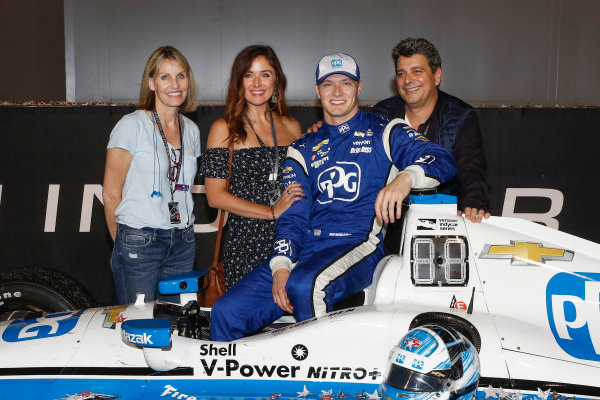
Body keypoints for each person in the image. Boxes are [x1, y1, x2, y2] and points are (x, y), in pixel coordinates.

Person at [210, 53, 456, 341]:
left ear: (359, 87)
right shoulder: (303, 146)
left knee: (306, 286)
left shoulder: (385, 130)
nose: (337, 92)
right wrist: (280, 265)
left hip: (357, 244)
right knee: (226, 311)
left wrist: (405, 178)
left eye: (346, 83)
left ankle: (318, 386)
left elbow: (442, 158)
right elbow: (293, 216)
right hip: (307, 250)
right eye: (328, 84)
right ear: (318, 91)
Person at [199, 45, 304, 290]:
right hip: (245, 244)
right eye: (249, 75)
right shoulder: (223, 128)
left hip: (289, 240)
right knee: (249, 325)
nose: (257, 83)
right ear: (239, 82)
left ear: (276, 80)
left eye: (265, 74)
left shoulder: (293, 127)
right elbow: (215, 197)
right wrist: (271, 211)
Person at [102, 46, 201, 304]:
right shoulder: (131, 125)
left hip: (182, 241)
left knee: (177, 326)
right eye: (165, 77)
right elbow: (111, 194)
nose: (175, 84)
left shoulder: (191, 130)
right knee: (139, 328)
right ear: (152, 83)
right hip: (139, 240)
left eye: (181, 76)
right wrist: (124, 244)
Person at [373, 37, 490, 223]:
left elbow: (472, 172)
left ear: (436, 76)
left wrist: (472, 206)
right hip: (389, 224)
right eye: (401, 74)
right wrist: (323, 128)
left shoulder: (460, 116)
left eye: (417, 71)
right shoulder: (381, 114)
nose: (408, 80)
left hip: (440, 223)